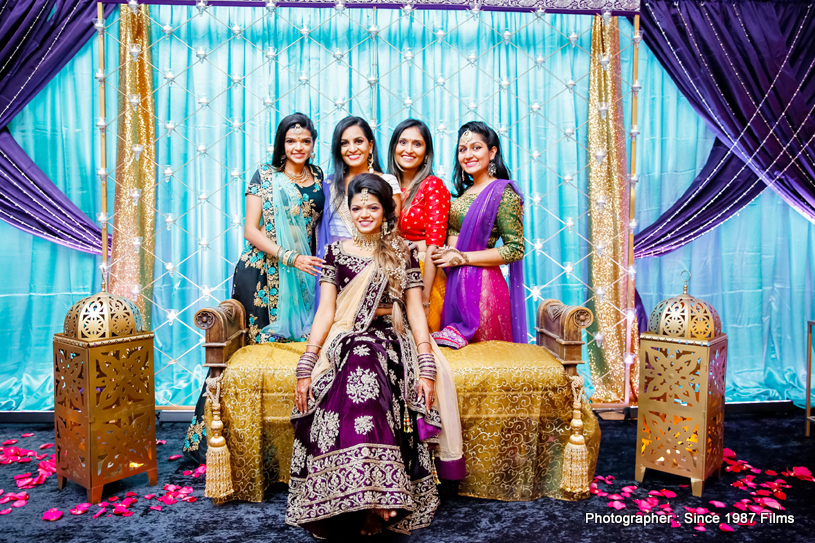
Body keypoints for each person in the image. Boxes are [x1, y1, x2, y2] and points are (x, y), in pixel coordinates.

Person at [287, 174, 462, 538]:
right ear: (348, 212)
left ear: (385, 212)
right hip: (347, 337)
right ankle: (365, 497)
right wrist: (308, 362)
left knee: (365, 354)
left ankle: (377, 495)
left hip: (391, 339)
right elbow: (326, 311)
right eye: (356, 207)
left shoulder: (402, 252)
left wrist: (426, 365)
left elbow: (415, 310)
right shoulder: (335, 252)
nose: (364, 213)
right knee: (357, 354)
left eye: (372, 207)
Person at [183, 113, 324, 464]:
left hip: (305, 273)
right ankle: (214, 440)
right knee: (248, 358)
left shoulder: (318, 175)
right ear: (281, 142)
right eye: (292, 140)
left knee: (295, 360)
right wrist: (290, 257)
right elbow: (251, 230)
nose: (298, 147)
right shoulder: (265, 175)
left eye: (305, 140)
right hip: (263, 274)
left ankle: (282, 445)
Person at [430, 121, 526, 349]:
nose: (468, 155)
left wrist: (463, 258)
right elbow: (452, 239)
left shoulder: (503, 192)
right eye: (462, 150)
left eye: (476, 147)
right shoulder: (461, 197)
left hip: (484, 291)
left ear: (492, 152)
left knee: (487, 366)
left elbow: (516, 248)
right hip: (453, 286)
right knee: (458, 372)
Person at [389, 119, 450, 332]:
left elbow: (434, 245)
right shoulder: (386, 184)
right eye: (403, 142)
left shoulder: (432, 185)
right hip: (392, 275)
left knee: (423, 344)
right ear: (394, 147)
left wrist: (424, 301)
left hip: (425, 276)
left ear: (426, 152)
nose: (408, 149)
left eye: (417, 144)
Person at [315, 116, 402, 260]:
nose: (352, 149)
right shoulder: (329, 185)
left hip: (374, 262)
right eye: (344, 143)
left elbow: (391, 231)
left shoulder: (387, 182)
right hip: (333, 264)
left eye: (359, 141)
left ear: (370, 146)